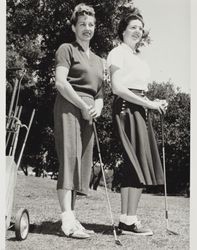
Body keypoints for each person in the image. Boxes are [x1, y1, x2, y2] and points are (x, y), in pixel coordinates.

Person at [107, 10, 168, 236]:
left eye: (141, 29)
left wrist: (153, 102)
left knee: (138, 163)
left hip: (139, 109)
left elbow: (140, 90)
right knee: (135, 162)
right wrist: (149, 104)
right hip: (125, 109)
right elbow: (117, 88)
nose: (138, 31)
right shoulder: (117, 53)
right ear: (123, 30)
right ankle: (130, 221)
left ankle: (126, 220)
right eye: (133, 27)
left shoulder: (138, 58)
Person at [54, 3, 104, 239]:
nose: (87, 28)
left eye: (91, 24)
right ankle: (66, 221)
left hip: (89, 113)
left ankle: (73, 218)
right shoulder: (67, 49)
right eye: (82, 24)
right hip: (70, 106)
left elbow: (101, 93)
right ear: (74, 26)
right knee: (68, 160)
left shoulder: (98, 60)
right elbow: (61, 83)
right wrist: (84, 106)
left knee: (81, 163)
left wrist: (97, 109)